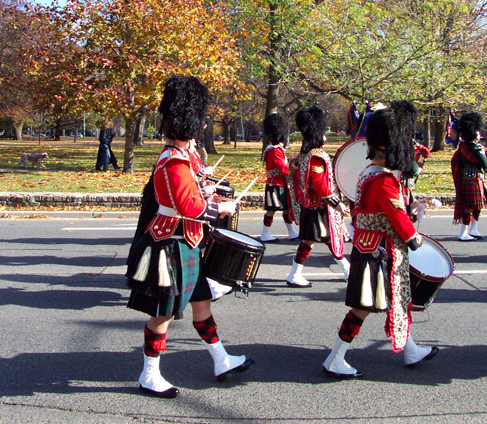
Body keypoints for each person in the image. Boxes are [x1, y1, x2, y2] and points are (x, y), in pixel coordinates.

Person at [125, 75, 252, 399]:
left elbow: (190, 196)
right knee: (163, 314)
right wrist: (219, 207)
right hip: (171, 246)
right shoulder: (174, 161)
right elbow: (189, 207)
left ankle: (221, 359)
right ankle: (149, 374)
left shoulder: (180, 158)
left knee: (202, 305)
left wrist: (206, 189)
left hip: (188, 242)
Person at [322, 102, 438, 378]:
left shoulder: (369, 173)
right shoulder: (384, 180)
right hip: (378, 252)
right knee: (362, 308)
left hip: (371, 246)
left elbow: (382, 209)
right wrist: (413, 238)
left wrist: (409, 211)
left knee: (397, 300)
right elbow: (396, 218)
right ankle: (335, 358)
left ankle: (410, 350)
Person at [285, 105, 350, 287]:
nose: (326, 137)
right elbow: (320, 184)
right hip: (317, 206)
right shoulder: (316, 157)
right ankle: (294, 274)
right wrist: (335, 202)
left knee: (329, 238)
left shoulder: (306, 155)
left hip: (315, 206)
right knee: (311, 240)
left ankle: (346, 269)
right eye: (323, 133)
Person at [259, 112, 298, 242]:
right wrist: (296, 167)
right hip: (275, 184)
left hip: (279, 184)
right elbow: (284, 169)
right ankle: (265, 234)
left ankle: (292, 232)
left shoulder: (275, 149)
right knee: (272, 210)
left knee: (286, 209)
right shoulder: (275, 151)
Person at [451, 112, 487, 241]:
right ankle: (464, 232)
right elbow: (485, 165)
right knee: (470, 207)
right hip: (474, 179)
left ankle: (474, 229)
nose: (479, 134)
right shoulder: (476, 147)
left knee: (476, 206)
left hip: (465, 178)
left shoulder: (462, 146)